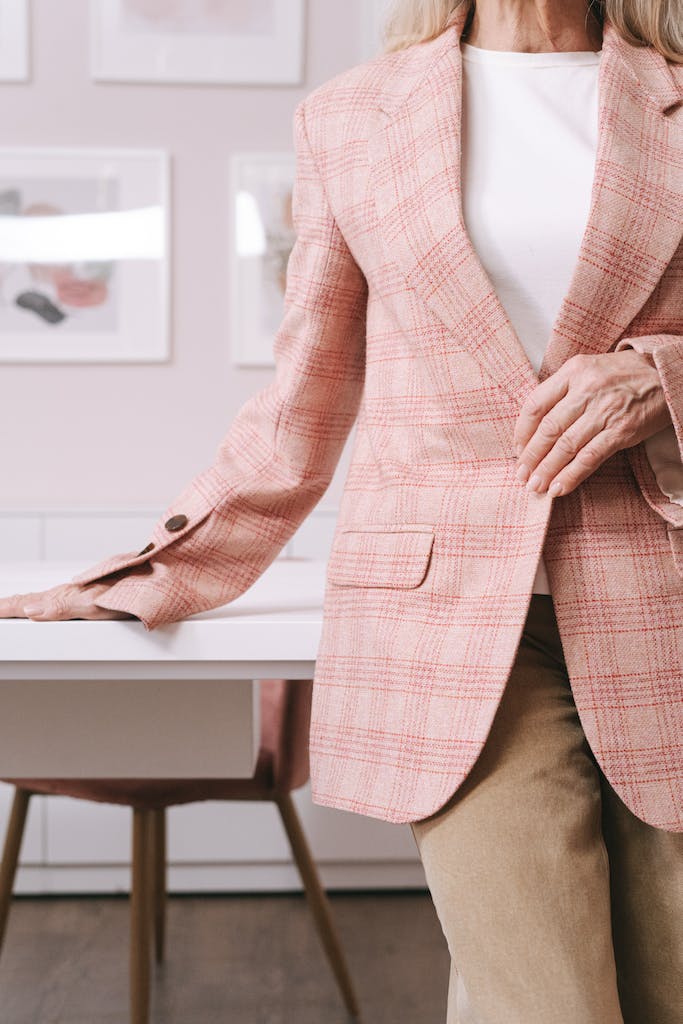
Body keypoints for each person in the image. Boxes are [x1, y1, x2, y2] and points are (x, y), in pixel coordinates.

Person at [2, 1, 682, 1020]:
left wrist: (657, 378)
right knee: (541, 1003)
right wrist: (145, 574)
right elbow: (301, 406)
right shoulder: (352, 118)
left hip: (662, 608)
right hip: (446, 631)